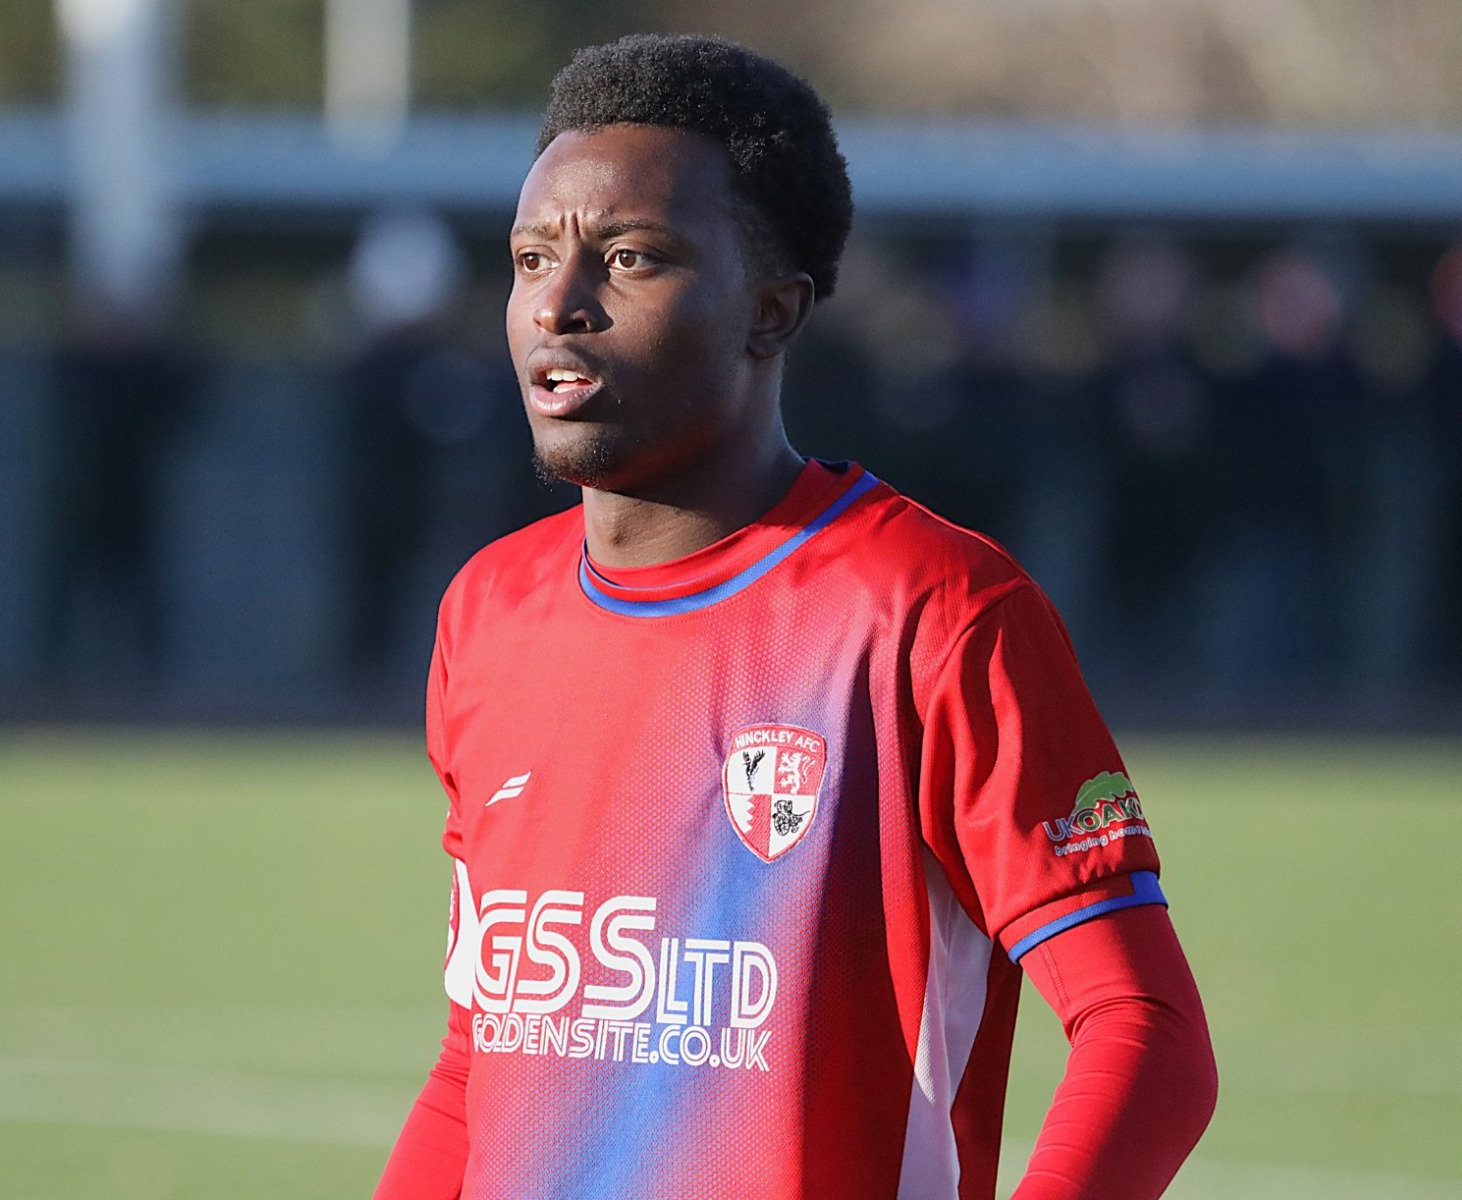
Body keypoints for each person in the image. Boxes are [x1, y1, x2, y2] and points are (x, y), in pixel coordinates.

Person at [376, 34, 1215, 1200]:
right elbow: (480, 1059)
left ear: (770, 312)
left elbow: (1143, 1031)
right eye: (529, 259)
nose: (557, 305)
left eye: (628, 257)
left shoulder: (932, 612)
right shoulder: (488, 612)